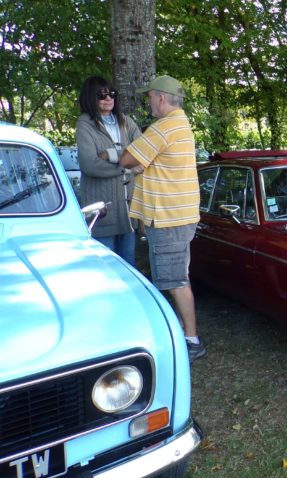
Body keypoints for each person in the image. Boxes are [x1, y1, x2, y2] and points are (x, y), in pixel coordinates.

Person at [117, 75, 205, 359]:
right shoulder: (180, 123)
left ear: (161, 98)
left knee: (175, 281)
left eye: (150, 96)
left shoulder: (164, 127)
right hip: (179, 215)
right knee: (177, 277)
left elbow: (127, 159)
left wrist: (129, 160)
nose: (149, 101)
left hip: (169, 219)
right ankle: (182, 331)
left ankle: (192, 341)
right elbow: (152, 162)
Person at [75, 76, 141, 265]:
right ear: (90, 97)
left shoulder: (126, 122)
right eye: (101, 95)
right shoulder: (85, 124)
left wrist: (111, 154)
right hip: (102, 213)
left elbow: (142, 150)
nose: (108, 98)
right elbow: (90, 165)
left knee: (129, 264)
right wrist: (126, 167)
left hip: (128, 213)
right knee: (107, 266)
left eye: (112, 93)